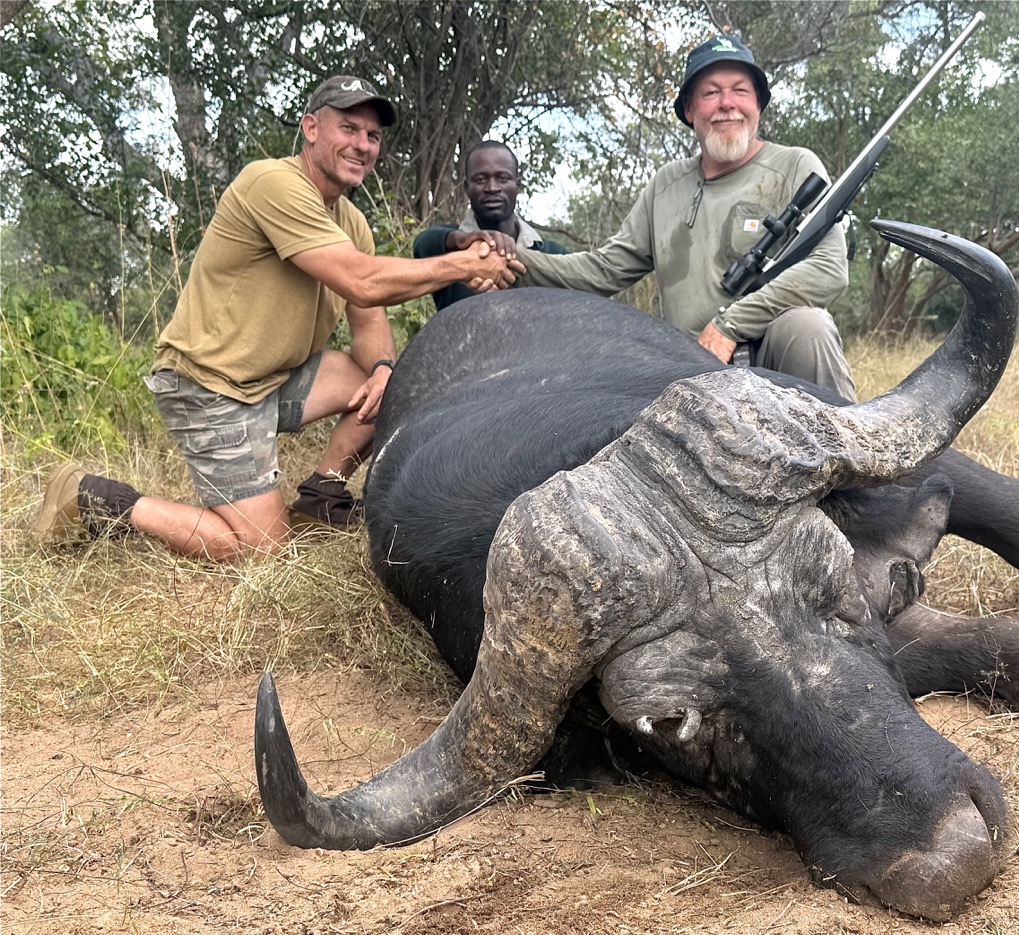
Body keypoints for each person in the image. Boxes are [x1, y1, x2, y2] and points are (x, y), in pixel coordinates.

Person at [35, 75, 520, 562]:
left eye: (373, 136)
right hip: (213, 385)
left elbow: (369, 320)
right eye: (349, 128)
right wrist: (463, 265)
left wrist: (381, 370)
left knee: (397, 384)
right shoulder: (272, 183)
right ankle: (92, 497)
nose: (363, 144)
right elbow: (362, 281)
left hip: (277, 376)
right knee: (262, 553)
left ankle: (322, 495)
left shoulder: (351, 221)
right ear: (311, 128)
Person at [516, 35, 857, 401]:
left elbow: (828, 269)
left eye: (740, 90)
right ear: (690, 109)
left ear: (758, 103)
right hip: (689, 371)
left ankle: (849, 437)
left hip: (774, 362)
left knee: (808, 327)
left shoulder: (796, 166)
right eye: (711, 93)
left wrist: (730, 324)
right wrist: (511, 262)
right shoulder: (665, 184)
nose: (727, 103)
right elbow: (604, 270)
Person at [412, 140, 567, 312]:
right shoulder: (451, 247)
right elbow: (421, 244)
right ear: (467, 188)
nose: (492, 188)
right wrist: (463, 240)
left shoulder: (552, 252)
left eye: (503, 178)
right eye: (480, 179)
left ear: (518, 186)